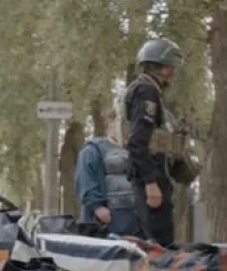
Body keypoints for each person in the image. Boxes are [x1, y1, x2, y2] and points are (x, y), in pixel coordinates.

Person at [125, 37, 184, 246]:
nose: (173, 72)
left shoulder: (149, 90)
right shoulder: (146, 92)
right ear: (162, 67)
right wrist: (151, 182)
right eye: (170, 67)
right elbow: (137, 141)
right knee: (158, 244)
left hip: (155, 174)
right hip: (151, 176)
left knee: (157, 241)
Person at [73, 106, 139, 236]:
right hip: (105, 220)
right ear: (110, 122)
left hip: (133, 219)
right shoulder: (94, 150)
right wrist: (97, 207)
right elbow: (85, 178)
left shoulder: (136, 151)